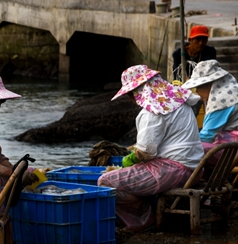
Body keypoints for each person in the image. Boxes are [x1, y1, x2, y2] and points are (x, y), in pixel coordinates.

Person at [97, 65, 204, 231]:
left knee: (106, 182)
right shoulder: (177, 101)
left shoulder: (152, 111)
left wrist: (129, 159)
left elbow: (146, 151)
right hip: (194, 170)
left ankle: (144, 216)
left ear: (137, 92)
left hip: (173, 171)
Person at [181, 60, 238, 149]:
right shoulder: (231, 93)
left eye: (198, 88)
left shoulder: (221, 101)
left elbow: (206, 136)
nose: (197, 92)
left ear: (209, 85)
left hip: (232, 149)